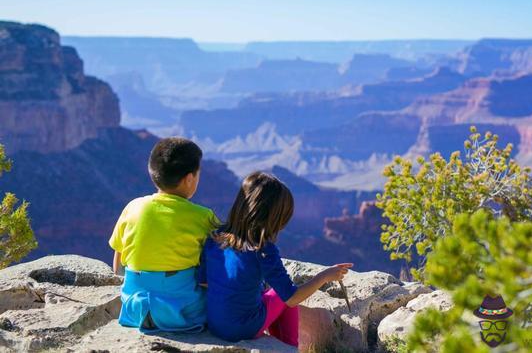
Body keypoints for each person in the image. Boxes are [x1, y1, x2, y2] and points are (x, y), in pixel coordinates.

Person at [199, 171, 353, 347]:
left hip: (215, 324)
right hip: (243, 329)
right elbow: (291, 298)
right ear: (273, 217)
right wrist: (326, 275)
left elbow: (205, 283)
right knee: (282, 295)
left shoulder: (214, 238)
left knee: (269, 294)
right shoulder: (263, 250)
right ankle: (288, 347)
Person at [109, 137, 219, 333]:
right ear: (189, 178)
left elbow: (118, 263)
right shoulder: (204, 217)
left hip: (134, 310)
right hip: (183, 313)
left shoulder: (133, 207)